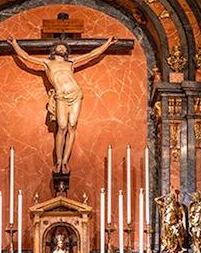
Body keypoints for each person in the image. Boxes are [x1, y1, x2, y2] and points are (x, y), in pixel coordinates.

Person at [7, 36, 118, 174]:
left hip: (75, 94)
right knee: (62, 127)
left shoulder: (71, 62)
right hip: (61, 96)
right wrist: (14, 43)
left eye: (64, 47)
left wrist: (107, 43)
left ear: (66, 51)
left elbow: (91, 54)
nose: (61, 47)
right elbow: (26, 56)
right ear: (54, 50)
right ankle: (58, 161)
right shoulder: (47, 63)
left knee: (72, 126)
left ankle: (65, 161)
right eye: (59, 46)